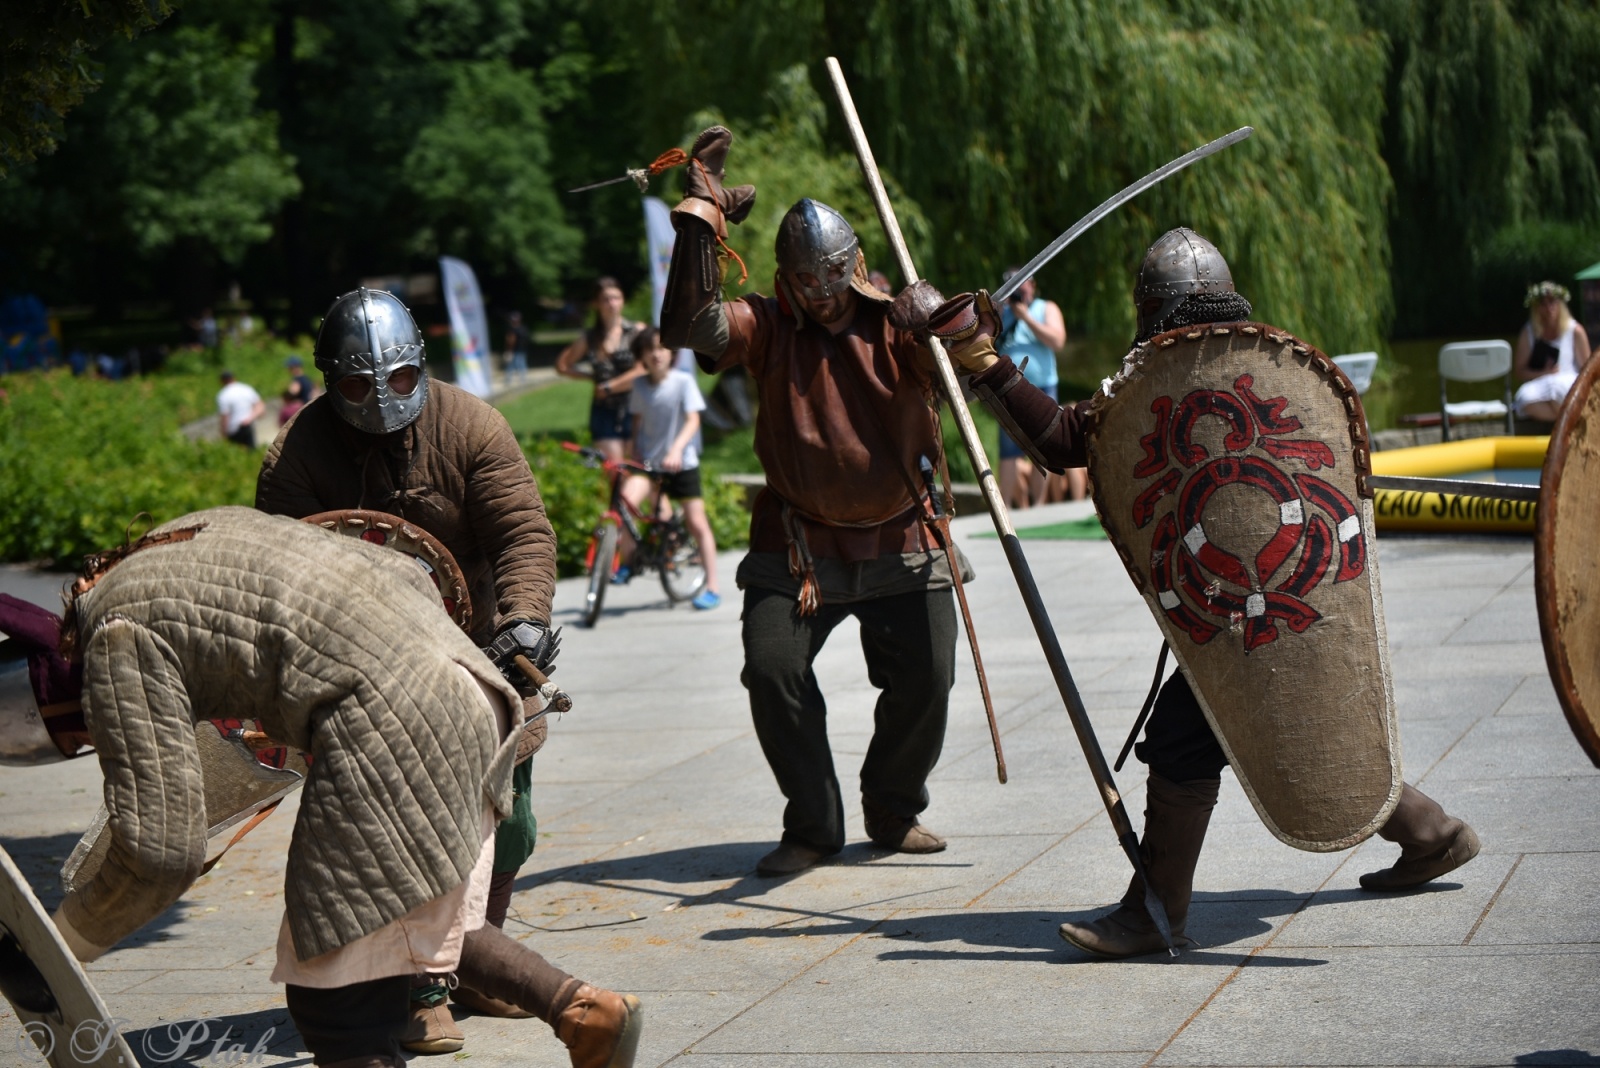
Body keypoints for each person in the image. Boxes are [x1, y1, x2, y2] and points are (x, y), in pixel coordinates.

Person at [918, 227, 1481, 957]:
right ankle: (1432, 832)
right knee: (1276, 714)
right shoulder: (1262, 363)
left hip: (1249, 604)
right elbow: (1067, 440)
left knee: (1195, 732)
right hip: (1273, 596)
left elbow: (1061, 438)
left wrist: (981, 358)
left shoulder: (1154, 386)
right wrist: (982, 358)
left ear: (1152, 308)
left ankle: (1154, 913)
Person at [21, 507, 641, 1068]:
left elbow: (161, 851)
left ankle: (572, 1016)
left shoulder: (114, 633)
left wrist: (52, 950)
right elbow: (387, 572)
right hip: (472, 686)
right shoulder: (178, 539)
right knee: (417, 914)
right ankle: (584, 1012)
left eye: (81, 737)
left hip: (394, 720)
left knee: (334, 995)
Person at [256, 288, 559, 1053]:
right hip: (365, 673)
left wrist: (523, 618)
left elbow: (522, 531)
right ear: (331, 378)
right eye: (360, 384)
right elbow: (282, 574)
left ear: (420, 365)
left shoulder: (471, 425)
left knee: (510, 830)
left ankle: (479, 965)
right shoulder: (296, 455)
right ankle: (421, 991)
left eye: (396, 379)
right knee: (406, 837)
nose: (382, 399)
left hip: (481, 652)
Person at [660, 126, 968, 877]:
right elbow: (690, 326)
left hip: (903, 536)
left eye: (832, 274)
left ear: (854, 262)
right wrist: (700, 224)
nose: (822, 292)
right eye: (806, 279)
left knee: (928, 678)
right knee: (773, 671)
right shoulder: (767, 325)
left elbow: (974, 360)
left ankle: (893, 805)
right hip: (798, 545)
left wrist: (945, 320)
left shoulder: (897, 322)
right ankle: (814, 823)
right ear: (785, 276)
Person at [619, 327, 721, 610]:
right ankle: (629, 561)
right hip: (650, 466)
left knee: (697, 523)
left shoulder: (683, 381)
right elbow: (637, 423)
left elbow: (693, 420)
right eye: (649, 349)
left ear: (672, 353)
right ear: (641, 355)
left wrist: (676, 450)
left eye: (662, 348)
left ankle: (712, 587)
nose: (656, 354)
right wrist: (632, 453)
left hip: (682, 464)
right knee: (624, 504)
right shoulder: (639, 386)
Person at [995, 268, 1083, 507]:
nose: (1018, 291)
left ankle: (1039, 505)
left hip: (1043, 386)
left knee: (1043, 444)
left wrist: (1026, 318)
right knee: (1008, 449)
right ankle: (1003, 506)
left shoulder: (1045, 308)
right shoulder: (1002, 314)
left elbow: (1058, 340)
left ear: (1031, 286)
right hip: (1008, 390)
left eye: (1021, 285)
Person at [556, 279, 646, 463]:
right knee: (614, 469)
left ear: (623, 300)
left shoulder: (636, 331)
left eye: (616, 298)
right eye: (606, 299)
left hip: (635, 407)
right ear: (596, 304)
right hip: (604, 411)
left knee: (637, 467)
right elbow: (563, 366)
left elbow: (642, 369)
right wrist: (591, 377)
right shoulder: (590, 337)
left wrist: (609, 386)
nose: (612, 303)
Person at [1513, 280, 1591, 423]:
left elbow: (1588, 372)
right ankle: (1566, 421)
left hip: (1568, 382)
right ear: (1536, 307)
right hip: (1540, 382)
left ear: (1560, 304)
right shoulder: (1528, 332)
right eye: (1543, 303)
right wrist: (1544, 373)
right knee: (1524, 399)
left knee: (1557, 390)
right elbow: (1520, 371)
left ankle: (1564, 423)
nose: (1548, 308)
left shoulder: (1575, 331)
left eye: (1552, 302)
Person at [217, 370, 265, 448]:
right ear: (234, 378)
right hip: (248, 425)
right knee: (251, 450)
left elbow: (225, 417)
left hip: (233, 430)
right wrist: (250, 418)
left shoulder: (223, 395)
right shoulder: (246, 389)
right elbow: (260, 406)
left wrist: (224, 434)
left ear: (222, 381)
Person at [504, 310, 531, 386]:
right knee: (515, 365)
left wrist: (509, 350)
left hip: (518, 350)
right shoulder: (521, 328)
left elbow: (511, 340)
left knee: (516, 365)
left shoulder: (517, 329)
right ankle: (513, 380)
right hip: (518, 350)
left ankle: (517, 380)